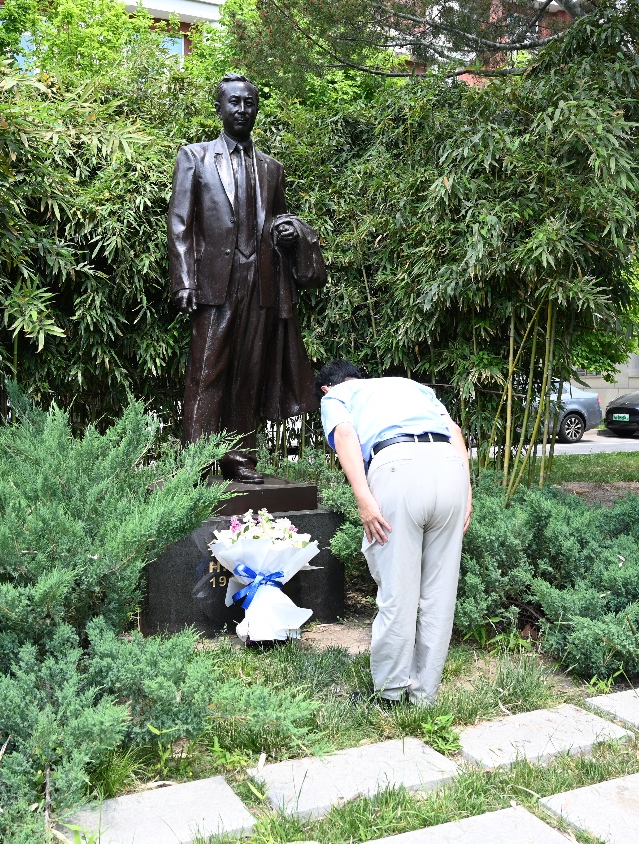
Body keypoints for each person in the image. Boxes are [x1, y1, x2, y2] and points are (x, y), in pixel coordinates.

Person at [167, 73, 321, 484]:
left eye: (248, 103)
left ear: (256, 109)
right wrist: (184, 281)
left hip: (262, 282)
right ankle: (196, 461)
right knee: (206, 371)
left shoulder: (272, 168)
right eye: (234, 102)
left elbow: (279, 217)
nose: (241, 110)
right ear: (219, 108)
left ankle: (238, 457)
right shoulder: (195, 157)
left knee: (249, 373)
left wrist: (288, 232)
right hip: (215, 282)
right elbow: (180, 224)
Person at [316, 360, 472, 706]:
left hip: (397, 469)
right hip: (451, 471)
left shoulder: (336, 396)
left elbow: (345, 435)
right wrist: (468, 496)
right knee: (440, 594)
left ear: (326, 388)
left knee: (398, 593)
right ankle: (424, 696)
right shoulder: (412, 386)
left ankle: (390, 693)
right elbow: (455, 432)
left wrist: (363, 499)